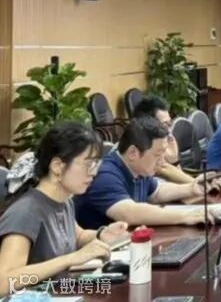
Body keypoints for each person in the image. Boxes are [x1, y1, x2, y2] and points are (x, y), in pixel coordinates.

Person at [0, 123, 129, 295]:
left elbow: (77, 236)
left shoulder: (64, 200)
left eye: (96, 165)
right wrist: (70, 259)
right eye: (89, 164)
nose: (93, 173)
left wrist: (102, 234)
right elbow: (5, 282)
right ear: (57, 166)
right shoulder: (25, 212)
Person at [75, 118, 221, 229]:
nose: (162, 161)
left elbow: (157, 192)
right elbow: (129, 213)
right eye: (157, 155)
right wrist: (185, 216)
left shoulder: (139, 169)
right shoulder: (105, 175)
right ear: (133, 153)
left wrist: (191, 187)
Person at [132, 96, 221, 191]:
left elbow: (171, 172)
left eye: (169, 124)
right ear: (148, 126)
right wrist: (201, 185)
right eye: (165, 125)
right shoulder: (140, 148)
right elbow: (163, 168)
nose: (169, 131)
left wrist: (175, 162)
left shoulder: (160, 145)